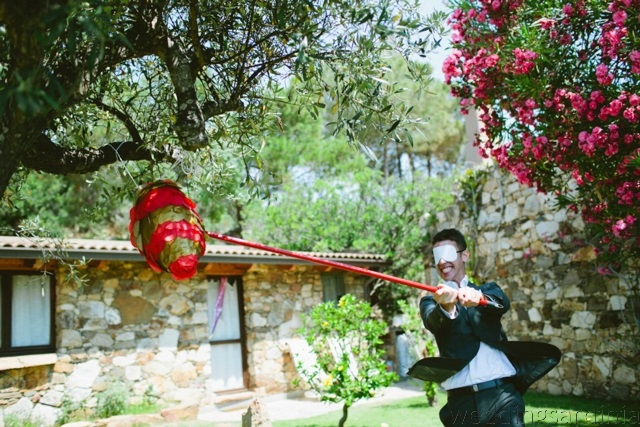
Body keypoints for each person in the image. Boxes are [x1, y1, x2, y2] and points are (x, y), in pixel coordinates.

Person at [408, 228, 561, 426]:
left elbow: (501, 302)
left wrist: (479, 297)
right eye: (437, 256)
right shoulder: (430, 302)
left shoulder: (488, 289)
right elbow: (433, 321)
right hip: (460, 405)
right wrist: (446, 306)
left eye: (447, 254)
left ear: (465, 255)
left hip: (503, 397)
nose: (442, 261)